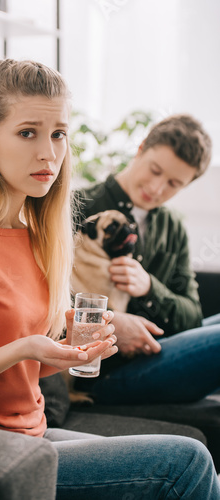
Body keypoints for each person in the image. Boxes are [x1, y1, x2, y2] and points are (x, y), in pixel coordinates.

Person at [0, 60, 220, 499]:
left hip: (34, 437)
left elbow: (29, 366)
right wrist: (24, 348)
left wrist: (68, 351)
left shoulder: (37, 236)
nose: (48, 152)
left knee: (204, 475)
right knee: (187, 463)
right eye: (27, 132)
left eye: (58, 133)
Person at [73, 114, 220, 406]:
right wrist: (113, 323)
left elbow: (191, 316)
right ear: (140, 149)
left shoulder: (172, 226)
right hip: (102, 371)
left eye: (174, 184)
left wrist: (150, 287)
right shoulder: (77, 206)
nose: (157, 189)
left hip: (164, 350)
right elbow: (38, 298)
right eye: (154, 170)